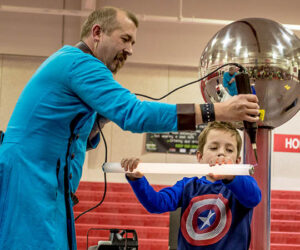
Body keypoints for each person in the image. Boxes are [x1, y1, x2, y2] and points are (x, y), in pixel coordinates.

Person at [0, 6, 260, 250]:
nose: (131, 49)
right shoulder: (81, 64)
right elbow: (135, 115)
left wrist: (100, 120)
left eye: (133, 42)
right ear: (97, 33)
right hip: (31, 182)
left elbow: (74, 135)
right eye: (125, 39)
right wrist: (216, 111)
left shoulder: (69, 64)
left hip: (45, 184)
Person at [122, 121, 261, 249]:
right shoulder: (187, 185)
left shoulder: (242, 184)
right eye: (213, 147)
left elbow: (254, 197)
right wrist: (137, 179)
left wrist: (231, 175)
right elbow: (156, 204)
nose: (221, 153)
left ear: (237, 161)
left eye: (229, 150)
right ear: (200, 157)